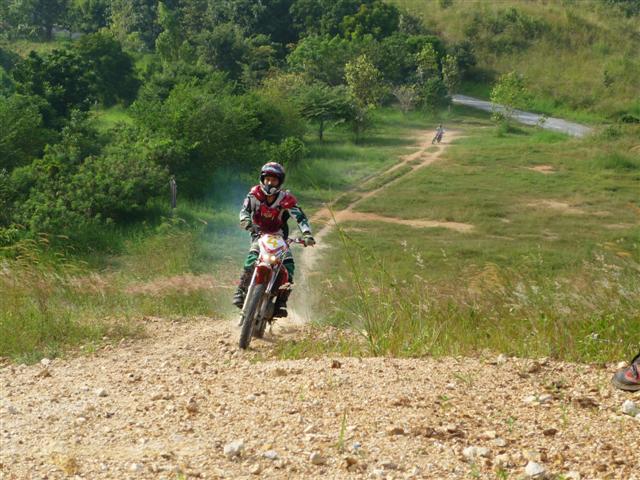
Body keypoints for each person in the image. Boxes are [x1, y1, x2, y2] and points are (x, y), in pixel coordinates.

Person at [233, 162, 315, 317]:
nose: (270, 183)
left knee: (288, 265)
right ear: (262, 179)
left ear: (280, 182)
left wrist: (307, 234)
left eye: (274, 180)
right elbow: (244, 211)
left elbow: (300, 218)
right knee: (252, 257)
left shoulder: (287, 199)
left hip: (279, 237)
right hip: (259, 234)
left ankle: (281, 302)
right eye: (268, 179)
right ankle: (240, 290)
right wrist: (246, 221)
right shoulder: (254, 195)